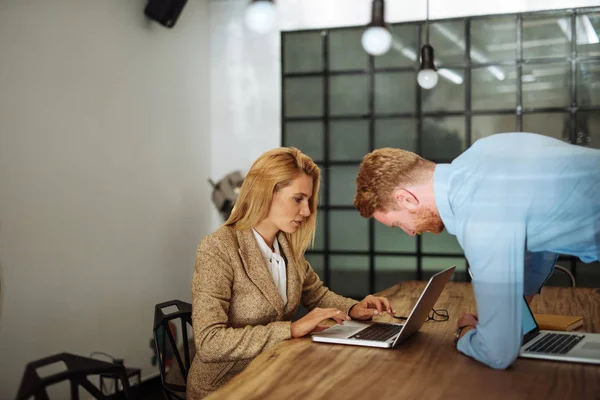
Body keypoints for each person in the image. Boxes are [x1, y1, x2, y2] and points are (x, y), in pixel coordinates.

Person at [353, 132, 600, 369]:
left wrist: (467, 333)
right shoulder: (486, 152)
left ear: (406, 199)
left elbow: (497, 353)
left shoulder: (477, 211)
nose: (408, 232)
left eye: (398, 223)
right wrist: (517, 305)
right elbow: (539, 244)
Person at [188, 147, 395, 398]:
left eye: (308, 200)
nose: (307, 211)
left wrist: (354, 308)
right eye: (298, 199)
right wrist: (291, 329)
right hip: (227, 386)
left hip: (274, 370)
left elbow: (317, 295)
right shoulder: (218, 248)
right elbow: (210, 343)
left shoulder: (286, 246)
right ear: (267, 193)